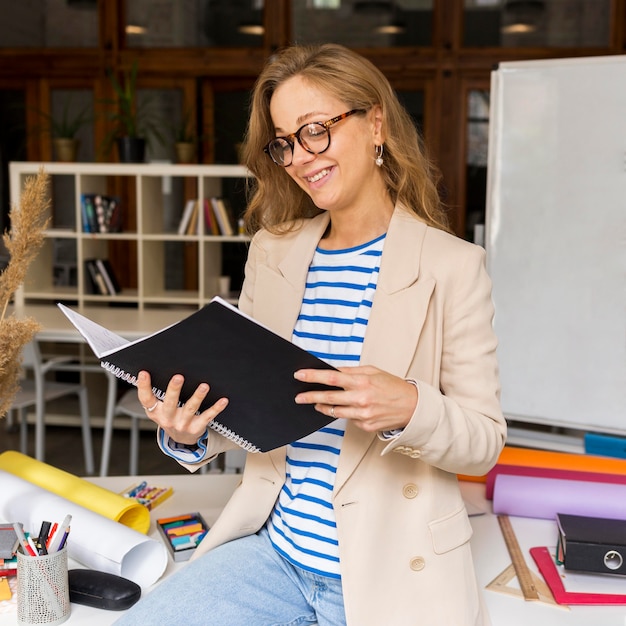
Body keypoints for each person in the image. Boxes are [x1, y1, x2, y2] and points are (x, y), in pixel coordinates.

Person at [115, 43, 506, 626]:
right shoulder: (272, 253)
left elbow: (484, 440)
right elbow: (246, 411)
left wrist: (410, 406)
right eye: (285, 142)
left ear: (375, 123)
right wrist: (189, 434)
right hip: (274, 556)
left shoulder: (453, 265)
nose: (299, 157)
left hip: (391, 572)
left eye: (316, 130)